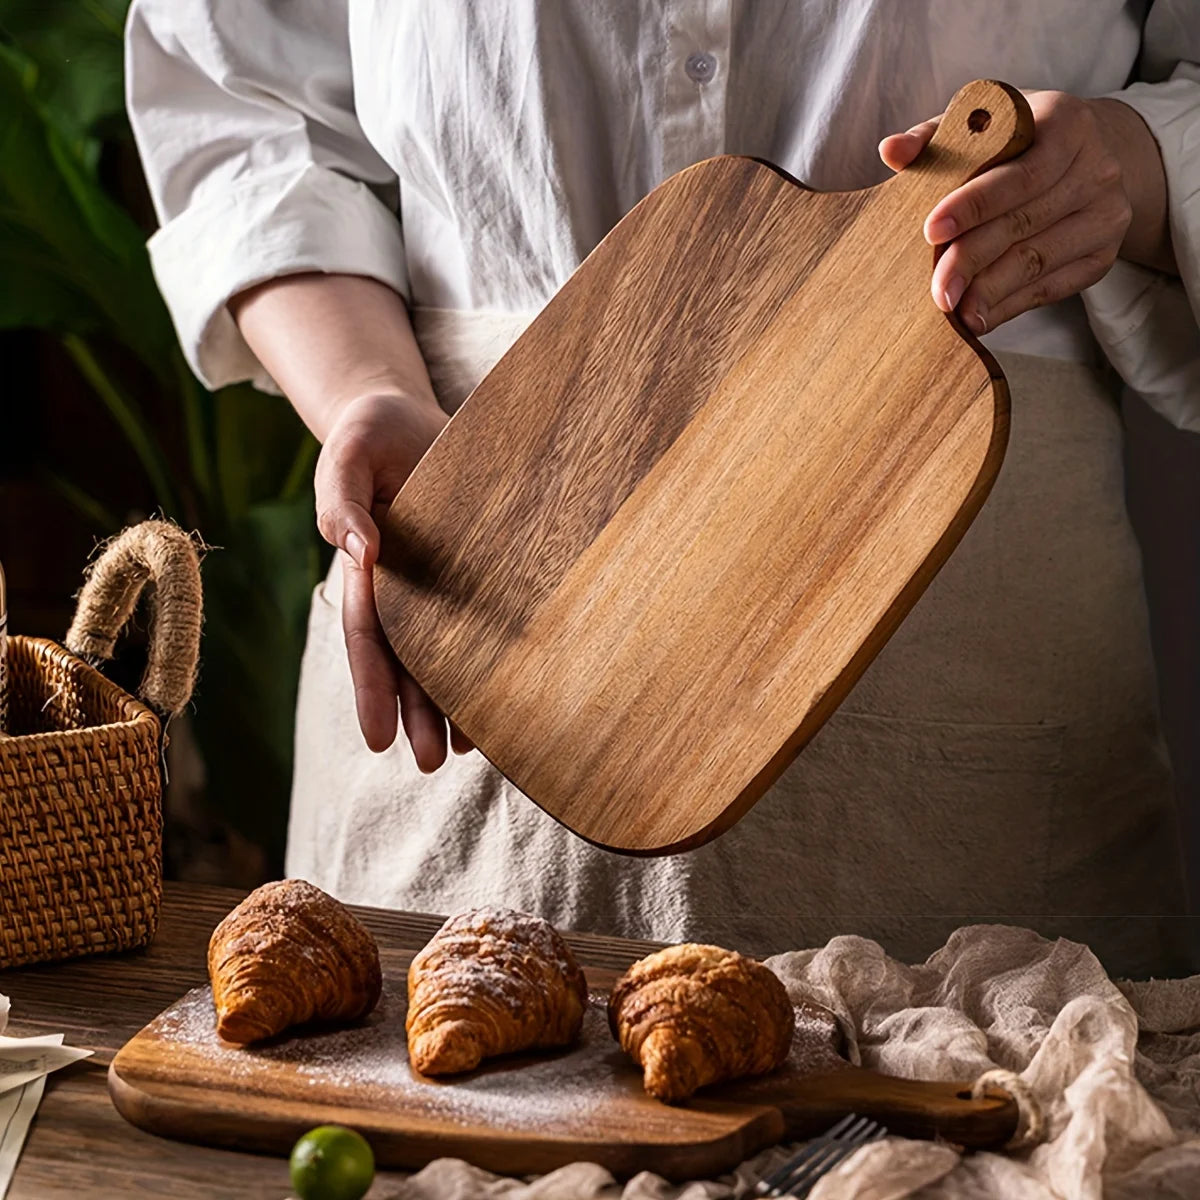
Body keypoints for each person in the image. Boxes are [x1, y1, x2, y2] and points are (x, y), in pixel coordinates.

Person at [126, 2, 1198, 975]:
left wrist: (1129, 165)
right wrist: (365, 387)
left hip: (969, 619)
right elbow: (237, 103)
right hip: (471, 551)